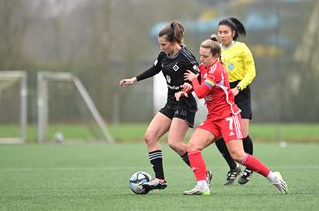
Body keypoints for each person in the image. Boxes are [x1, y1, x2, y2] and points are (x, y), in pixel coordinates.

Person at [175, 37, 288, 195]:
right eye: (200, 55)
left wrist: (193, 80)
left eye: (205, 56)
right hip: (213, 118)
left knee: (238, 155)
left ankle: (273, 176)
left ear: (215, 56)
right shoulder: (204, 68)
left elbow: (201, 92)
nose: (201, 59)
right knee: (193, 147)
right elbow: (198, 86)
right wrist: (185, 90)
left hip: (228, 116)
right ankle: (202, 185)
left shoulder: (217, 70)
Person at [119, 21, 211, 191]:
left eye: (163, 44)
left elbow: (198, 79)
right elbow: (154, 69)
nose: (161, 47)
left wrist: (186, 88)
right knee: (150, 137)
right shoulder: (163, 56)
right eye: (159, 44)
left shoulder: (187, 57)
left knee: (174, 143)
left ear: (174, 42)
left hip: (185, 103)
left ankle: (203, 173)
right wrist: (134, 79)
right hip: (171, 103)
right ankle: (160, 179)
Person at [215, 17, 257, 185]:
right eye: (220, 32)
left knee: (242, 133)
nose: (222, 35)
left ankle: (249, 167)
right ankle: (233, 167)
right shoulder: (216, 49)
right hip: (223, 94)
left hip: (240, 92)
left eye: (225, 32)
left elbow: (251, 72)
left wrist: (238, 88)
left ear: (233, 33)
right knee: (218, 135)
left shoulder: (242, 48)